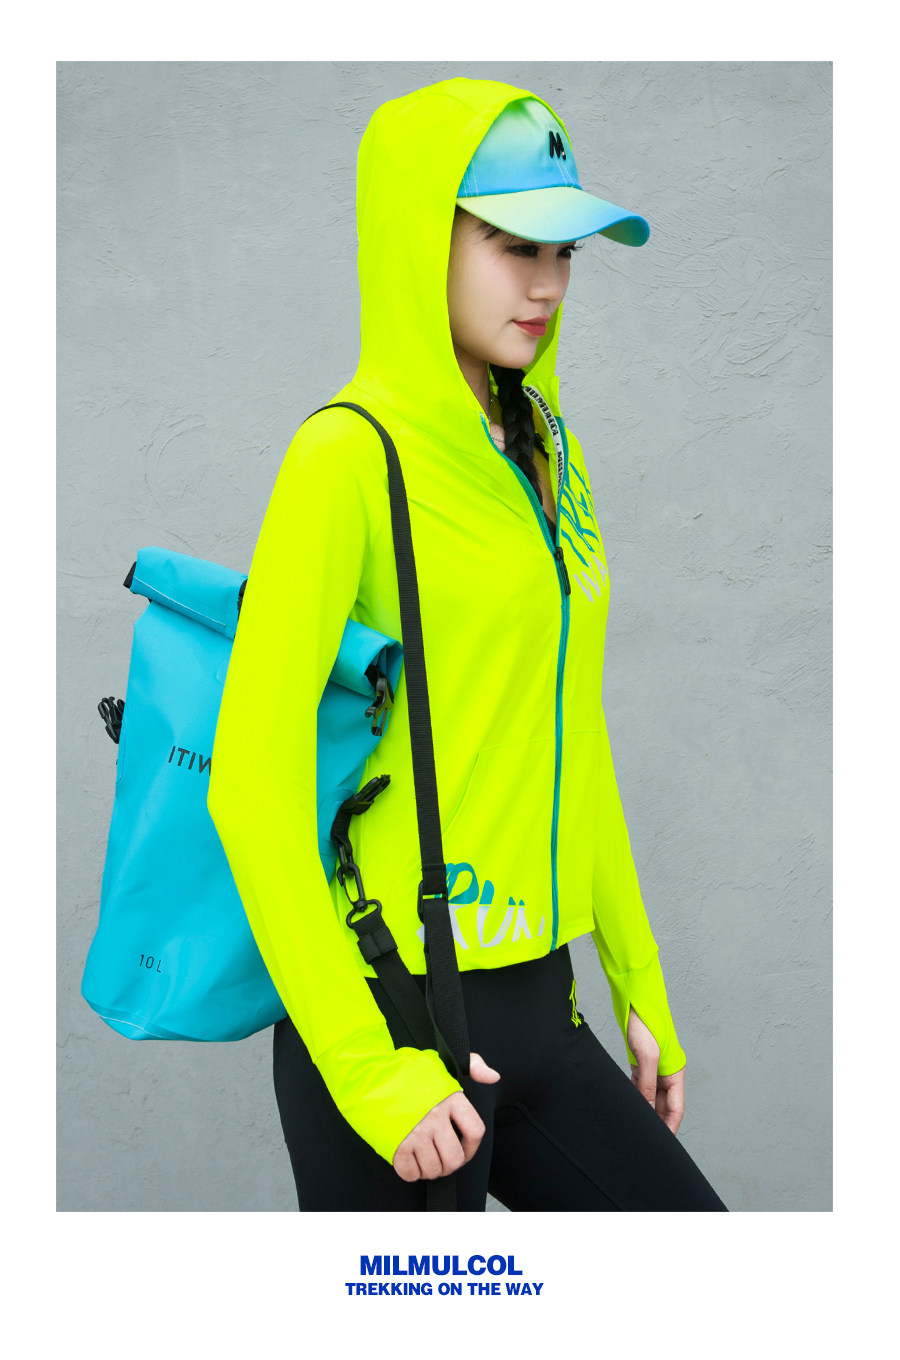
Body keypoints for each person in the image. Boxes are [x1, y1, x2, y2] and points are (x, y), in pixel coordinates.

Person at [207, 77, 727, 1211]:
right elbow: (249, 783)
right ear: (419, 235)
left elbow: (571, 727)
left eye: (564, 252)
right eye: (512, 245)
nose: (548, 285)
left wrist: (637, 980)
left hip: (543, 1004)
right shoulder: (346, 459)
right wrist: (367, 1070)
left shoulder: (547, 453)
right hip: (394, 1016)